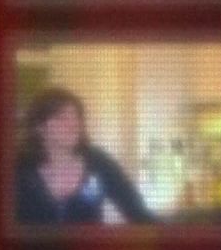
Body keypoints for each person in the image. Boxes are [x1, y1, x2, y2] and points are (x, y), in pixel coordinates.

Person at [13, 88, 154, 224]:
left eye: (76, 118)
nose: (73, 125)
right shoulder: (19, 168)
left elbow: (138, 213)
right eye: (62, 118)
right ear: (39, 127)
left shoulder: (99, 162)